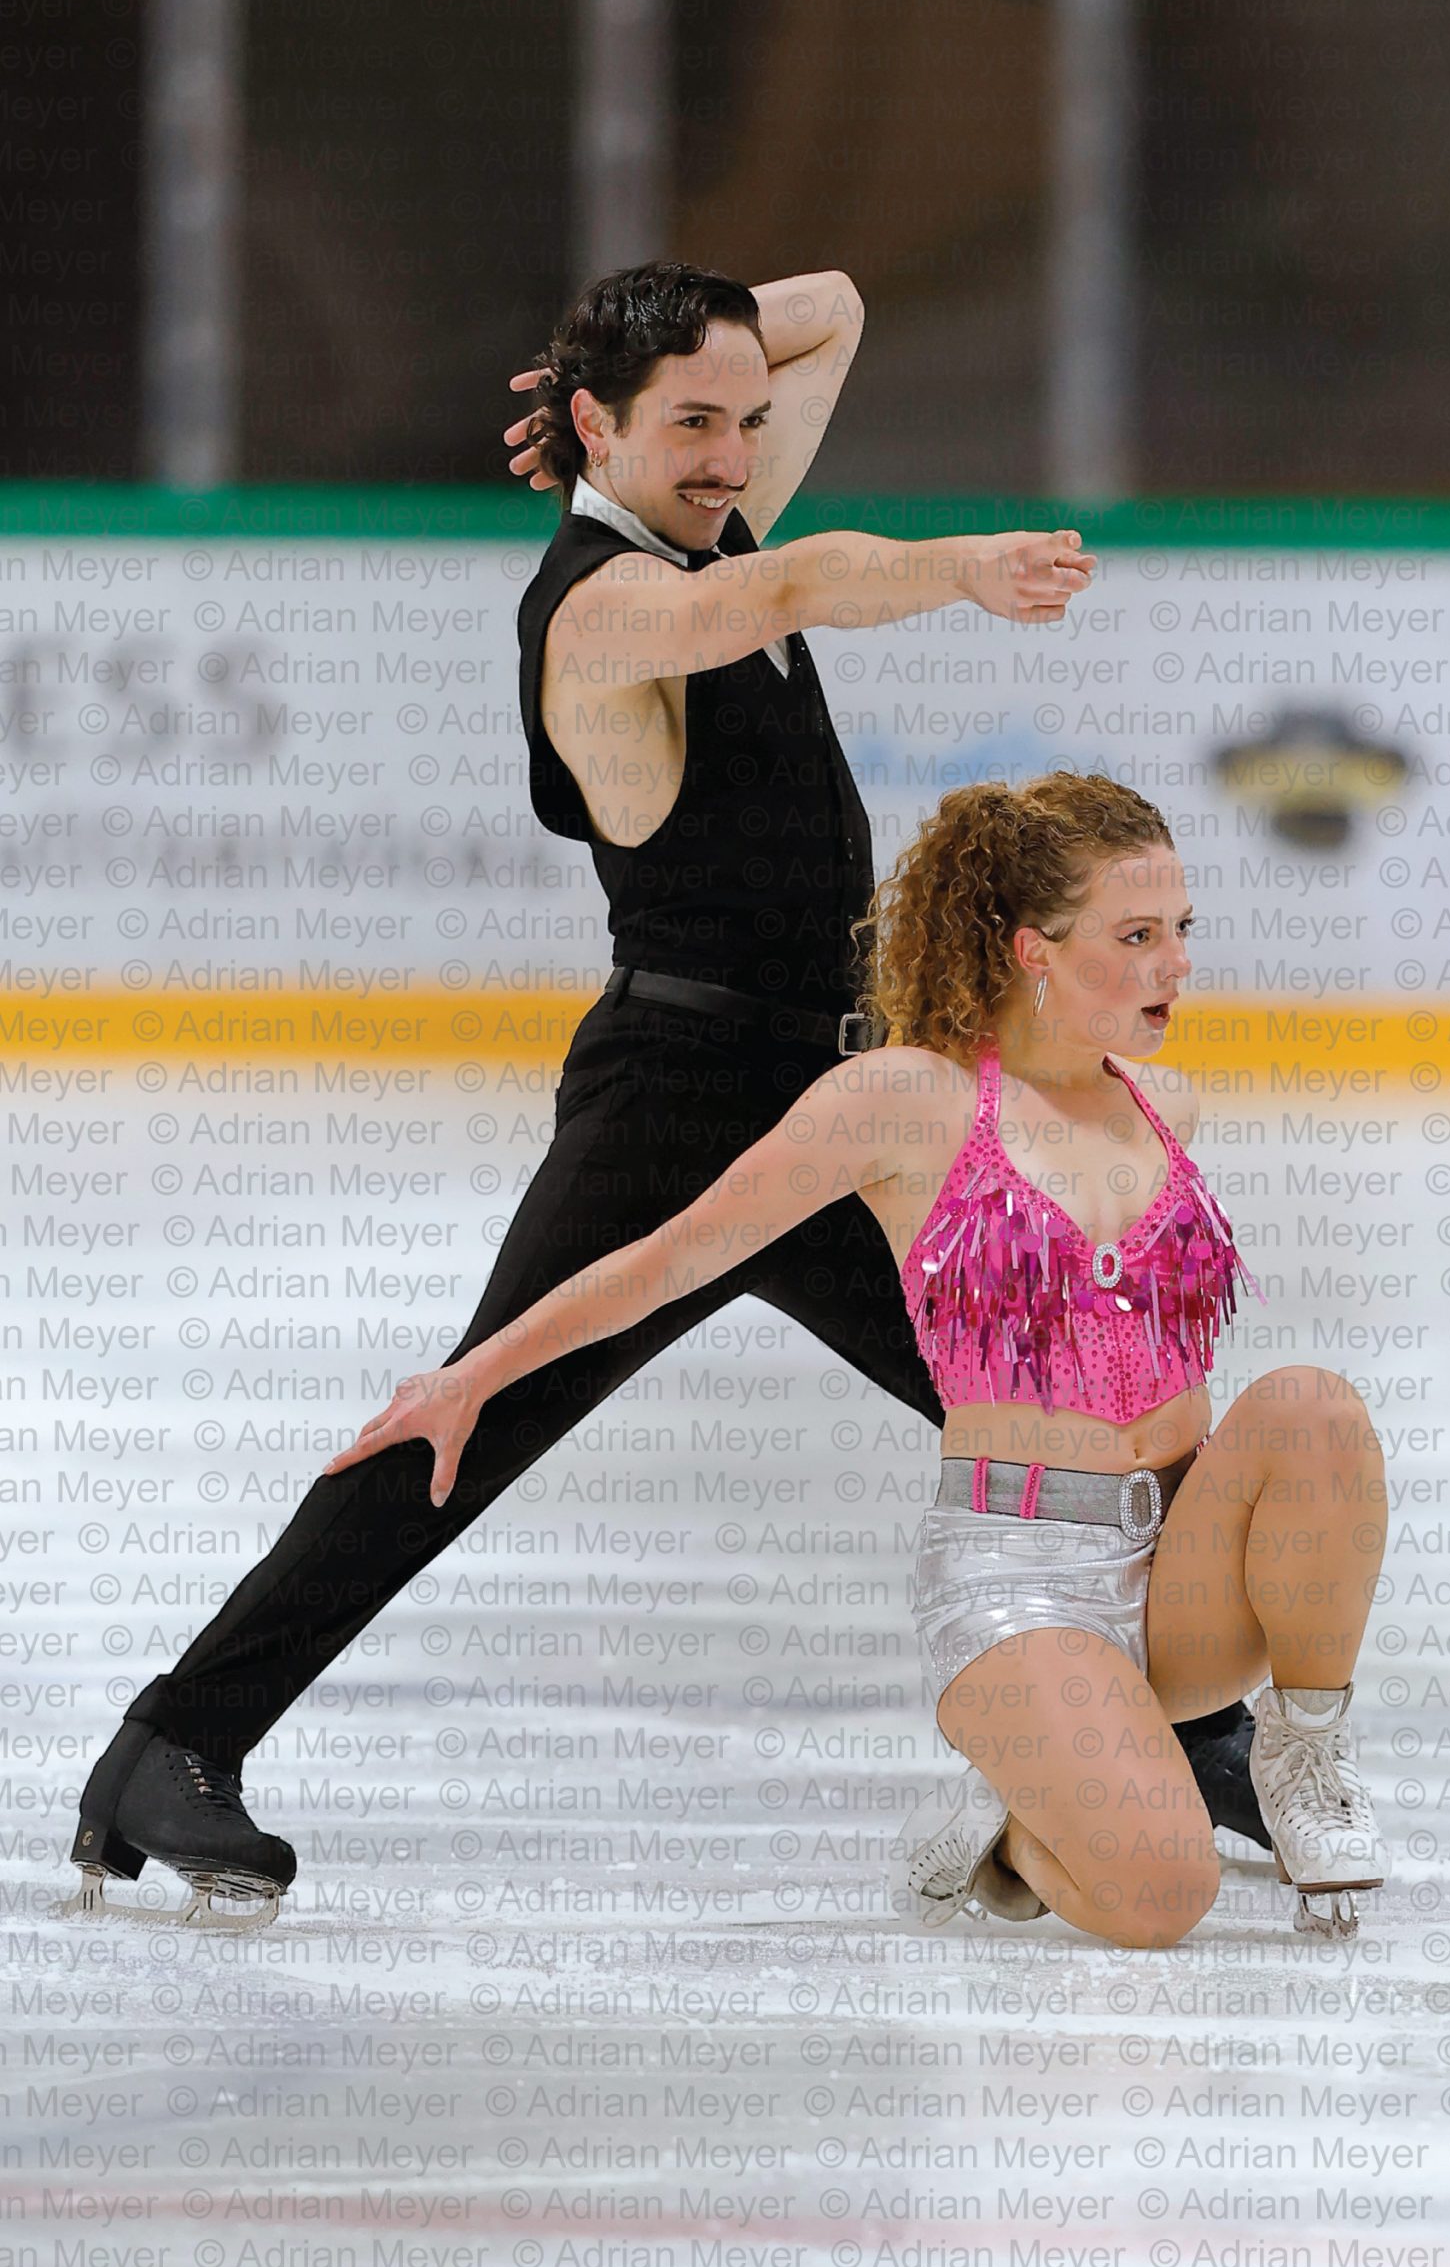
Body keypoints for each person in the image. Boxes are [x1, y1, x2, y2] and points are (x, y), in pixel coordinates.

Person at [56, 260, 1260, 1935]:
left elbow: (832, 302)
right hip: (682, 1099)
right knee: (468, 1422)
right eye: (690, 423)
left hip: (842, 1095)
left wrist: (612, 357)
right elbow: (805, 584)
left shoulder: (693, 517)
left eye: (743, 424)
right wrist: (964, 567)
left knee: (1084, 1385)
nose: (728, 454)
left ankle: (1195, 1730)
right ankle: (171, 1745)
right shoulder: (606, 607)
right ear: (594, 435)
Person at [328, 771, 1392, 1946]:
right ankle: (1011, 1817)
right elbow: (669, 1255)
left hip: (1181, 1568)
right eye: (1134, 936)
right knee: (1161, 1897)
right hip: (1021, 1573)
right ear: (1033, 949)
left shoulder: (1164, 1106)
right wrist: (472, 1375)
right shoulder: (907, 1101)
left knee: (1313, 1409)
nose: (1173, 964)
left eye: (1179, 932)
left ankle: (1302, 1753)